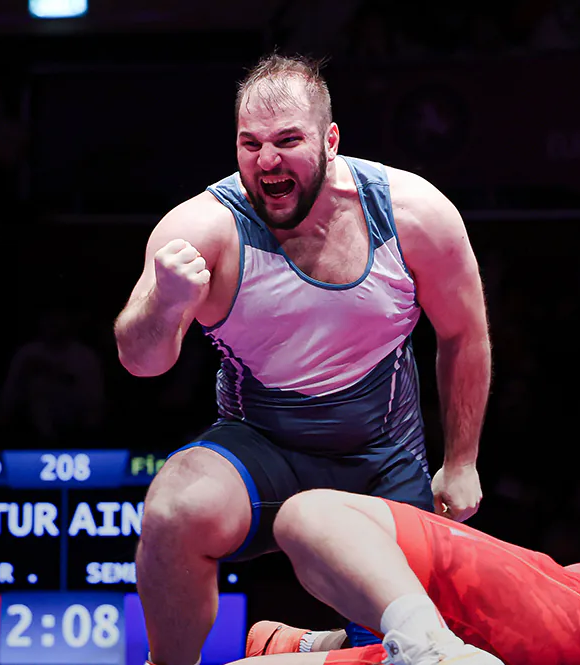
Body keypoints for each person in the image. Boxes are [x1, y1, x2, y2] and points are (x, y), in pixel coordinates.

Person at [113, 53, 491, 665]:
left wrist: (462, 461)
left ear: (330, 141)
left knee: (400, 653)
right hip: (262, 449)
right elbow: (142, 361)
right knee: (174, 509)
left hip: (383, 461)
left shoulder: (412, 214)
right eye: (251, 143)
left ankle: (315, 646)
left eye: (288, 141)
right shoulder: (204, 229)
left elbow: (464, 333)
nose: (267, 161)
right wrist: (166, 301)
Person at [240, 484, 580, 665]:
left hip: (552, 621)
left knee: (307, 516)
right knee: (266, 642)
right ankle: (342, 641)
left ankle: (429, 649)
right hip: (525, 635)